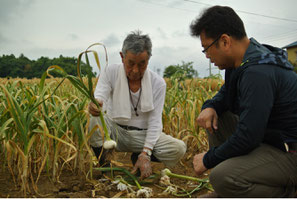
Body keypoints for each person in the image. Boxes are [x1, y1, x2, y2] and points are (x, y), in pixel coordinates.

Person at [190, 5, 297, 197]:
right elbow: (225, 95)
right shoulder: (241, 62)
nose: (207, 56)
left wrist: (208, 159)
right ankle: (238, 188)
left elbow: (249, 136)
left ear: (224, 41)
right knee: (217, 118)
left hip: (290, 154)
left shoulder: (258, 72)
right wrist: (210, 106)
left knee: (222, 176)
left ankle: (285, 192)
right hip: (270, 142)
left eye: (206, 48)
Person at [88, 30, 186, 180]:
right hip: (116, 132)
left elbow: (155, 121)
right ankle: (105, 167)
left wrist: (146, 153)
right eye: (131, 63)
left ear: (148, 59)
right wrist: (97, 105)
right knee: (93, 117)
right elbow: (100, 97)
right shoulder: (110, 72)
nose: (135, 70)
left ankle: (138, 157)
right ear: (122, 57)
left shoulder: (158, 83)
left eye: (142, 64)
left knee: (178, 148)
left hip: (143, 135)